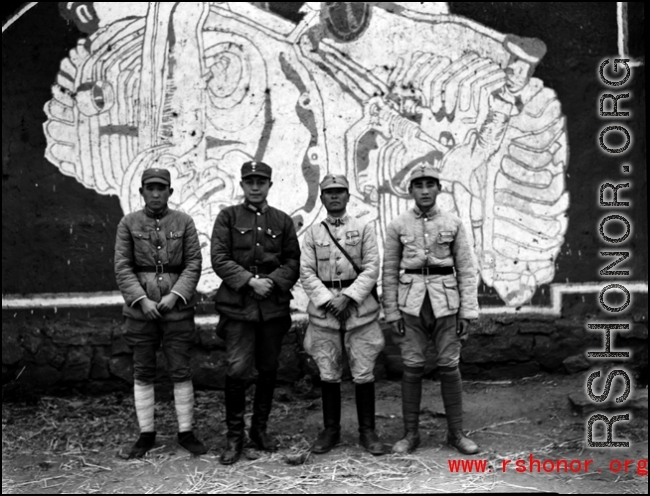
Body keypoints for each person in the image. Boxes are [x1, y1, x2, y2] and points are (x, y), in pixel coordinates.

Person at [382, 163, 480, 455]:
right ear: (410, 190)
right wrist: (392, 313)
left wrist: (467, 312)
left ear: (439, 188)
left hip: (446, 303)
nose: (424, 191)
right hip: (410, 304)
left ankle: (456, 433)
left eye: (430, 185)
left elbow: (466, 268)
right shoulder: (398, 225)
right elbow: (388, 272)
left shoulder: (453, 223)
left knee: (449, 366)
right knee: (412, 367)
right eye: (418, 186)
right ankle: (411, 434)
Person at [211, 161, 301, 465]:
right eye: (249, 181)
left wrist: (271, 282)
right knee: (237, 369)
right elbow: (219, 258)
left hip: (272, 307)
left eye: (261, 181)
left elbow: (292, 262)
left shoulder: (282, 221)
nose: (255, 186)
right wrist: (249, 282)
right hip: (238, 307)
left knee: (269, 368)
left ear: (270, 185)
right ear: (242, 185)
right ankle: (234, 437)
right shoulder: (228, 217)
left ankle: (259, 431)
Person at [114, 167, 207, 459]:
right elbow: (123, 266)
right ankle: (146, 434)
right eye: (150, 188)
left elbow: (193, 262)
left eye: (161, 188)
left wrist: (174, 295)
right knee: (143, 370)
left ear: (170, 191)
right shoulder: (128, 223)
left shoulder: (184, 222)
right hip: (140, 312)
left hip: (177, 310)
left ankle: (186, 432)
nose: (156, 193)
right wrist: (142, 300)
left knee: (180, 368)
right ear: (141, 191)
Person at [300, 174, 385, 456]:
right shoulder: (313, 233)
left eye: (340, 192)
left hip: (358, 308)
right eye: (328, 192)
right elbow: (307, 272)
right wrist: (328, 300)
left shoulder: (363, 228)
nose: (334, 196)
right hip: (325, 312)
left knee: (363, 371)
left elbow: (372, 267)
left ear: (348, 196)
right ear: (322, 198)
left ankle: (367, 431)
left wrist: (348, 296)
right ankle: (331, 431)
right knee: (328, 370)